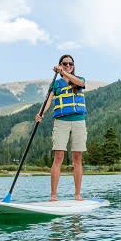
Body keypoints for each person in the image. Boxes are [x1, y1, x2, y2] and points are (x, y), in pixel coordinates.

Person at [35, 54, 87, 201]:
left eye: (71, 64)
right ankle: (53, 195)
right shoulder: (56, 84)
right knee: (58, 156)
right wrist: (40, 114)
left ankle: (77, 194)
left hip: (79, 121)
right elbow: (48, 101)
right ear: (60, 64)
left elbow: (80, 83)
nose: (68, 66)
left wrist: (63, 73)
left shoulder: (80, 80)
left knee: (77, 157)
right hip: (61, 122)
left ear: (73, 66)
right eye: (65, 64)